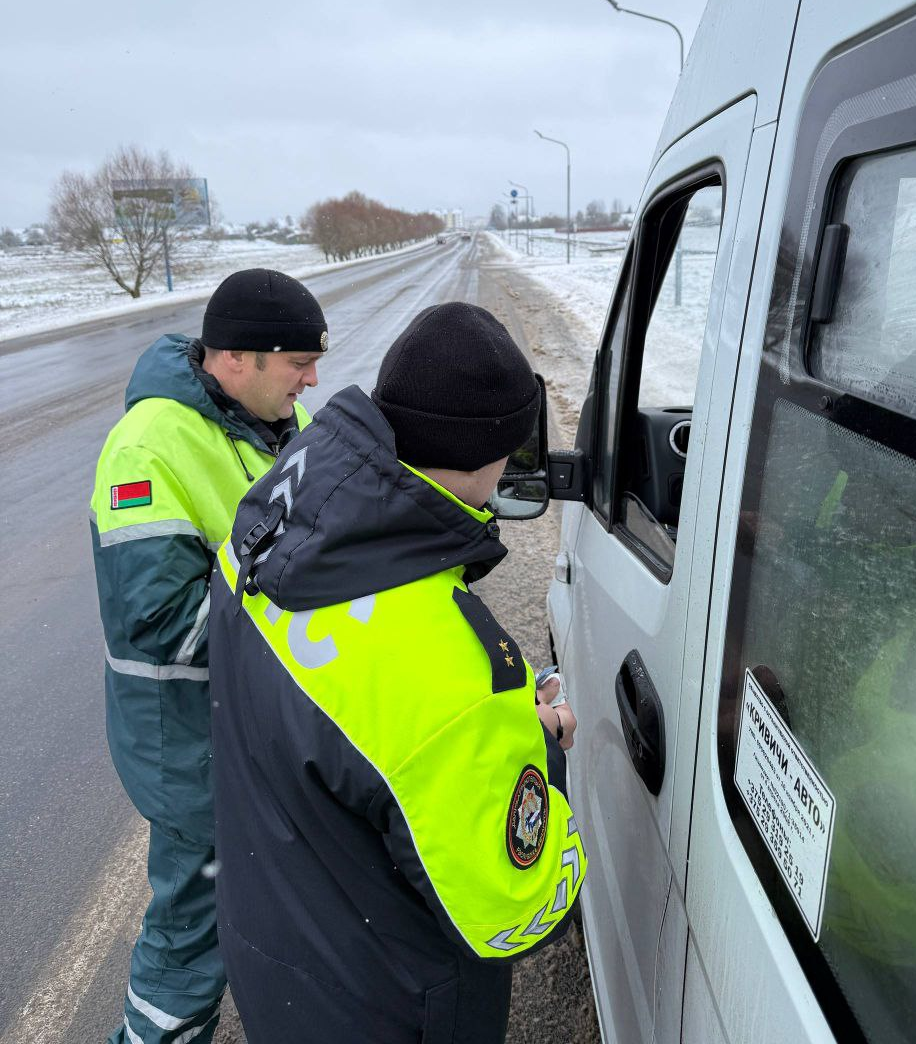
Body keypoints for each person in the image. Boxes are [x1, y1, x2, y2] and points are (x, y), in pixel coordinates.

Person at [209, 301, 587, 1044]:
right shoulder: (447, 670)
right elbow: (519, 910)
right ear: (489, 457)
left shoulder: (274, 521)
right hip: (388, 1006)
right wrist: (534, 746)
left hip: (276, 953)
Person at [90, 268, 328, 1044]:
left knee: (275, 913)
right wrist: (315, 604)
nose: (311, 379)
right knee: (191, 942)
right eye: (299, 362)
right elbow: (164, 622)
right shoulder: (147, 447)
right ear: (234, 359)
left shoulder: (276, 420)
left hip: (256, 729)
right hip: (193, 744)